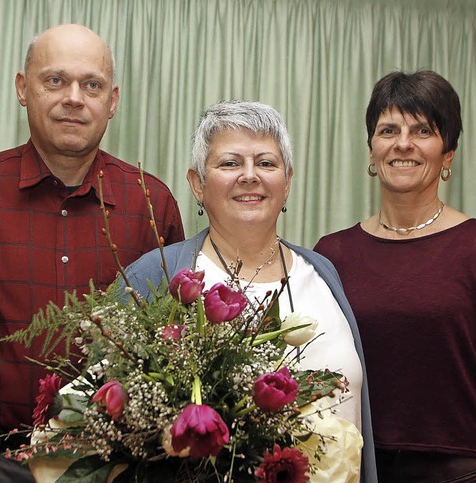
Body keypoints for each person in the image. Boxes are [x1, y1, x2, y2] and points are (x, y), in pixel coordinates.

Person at [0, 24, 184, 482]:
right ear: (24, 88)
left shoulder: (151, 203)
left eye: (92, 85)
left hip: (112, 464)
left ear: (113, 101)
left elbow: (169, 334)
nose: (74, 98)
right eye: (55, 80)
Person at [122, 100, 377, 482]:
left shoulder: (323, 275)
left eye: (266, 163)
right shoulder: (156, 277)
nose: (250, 176)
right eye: (229, 163)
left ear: (287, 182)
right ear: (197, 184)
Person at [314, 70, 476, 482]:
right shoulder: (332, 254)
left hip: (465, 471)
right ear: (371, 150)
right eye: (388, 130)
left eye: (423, 130)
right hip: (360, 469)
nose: (403, 144)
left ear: (448, 153)